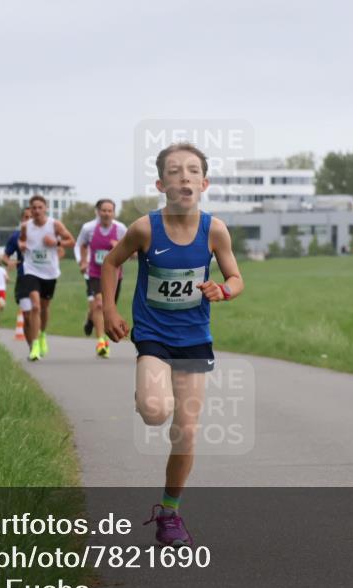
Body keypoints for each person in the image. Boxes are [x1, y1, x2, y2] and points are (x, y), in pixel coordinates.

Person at [102, 143, 244, 546]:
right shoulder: (145, 228)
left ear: (204, 182)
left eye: (193, 170)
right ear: (161, 183)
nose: (185, 177)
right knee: (154, 410)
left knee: (186, 432)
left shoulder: (214, 230)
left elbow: (236, 277)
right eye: (176, 171)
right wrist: (110, 312)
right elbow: (112, 263)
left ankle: (169, 513)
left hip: (195, 338)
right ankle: (147, 391)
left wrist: (224, 289)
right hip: (153, 335)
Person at [18, 195, 75, 361]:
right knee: (35, 306)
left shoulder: (54, 225)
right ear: (30, 209)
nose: (36, 211)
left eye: (39, 207)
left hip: (49, 272)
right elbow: (22, 242)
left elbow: (71, 241)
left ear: (45, 208)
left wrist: (56, 243)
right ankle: (34, 345)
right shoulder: (25, 226)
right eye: (33, 208)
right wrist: (21, 245)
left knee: (44, 307)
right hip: (31, 270)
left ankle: (42, 334)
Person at [77, 199, 129, 357]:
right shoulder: (89, 228)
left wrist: (119, 246)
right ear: (98, 212)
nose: (106, 213)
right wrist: (83, 261)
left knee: (108, 307)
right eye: (103, 210)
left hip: (115, 276)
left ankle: (90, 318)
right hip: (95, 273)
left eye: (109, 210)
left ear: (114, 212)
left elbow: (132, 252)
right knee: (99, 304)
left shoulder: (120, 229)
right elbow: (82, 244)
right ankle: (102, 341)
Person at [3, 205, 33, 346]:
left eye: (32, 217)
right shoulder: (15, 236)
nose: (29, 220)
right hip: (23, 277)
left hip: (41, 277)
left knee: (38, 309)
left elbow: (59, 250)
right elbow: (5, 256)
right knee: (27, 315)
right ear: (22, 219)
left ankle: (39, 339)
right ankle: (32, 345)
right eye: (26, 217)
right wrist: (9, 262)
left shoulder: (46, 234)